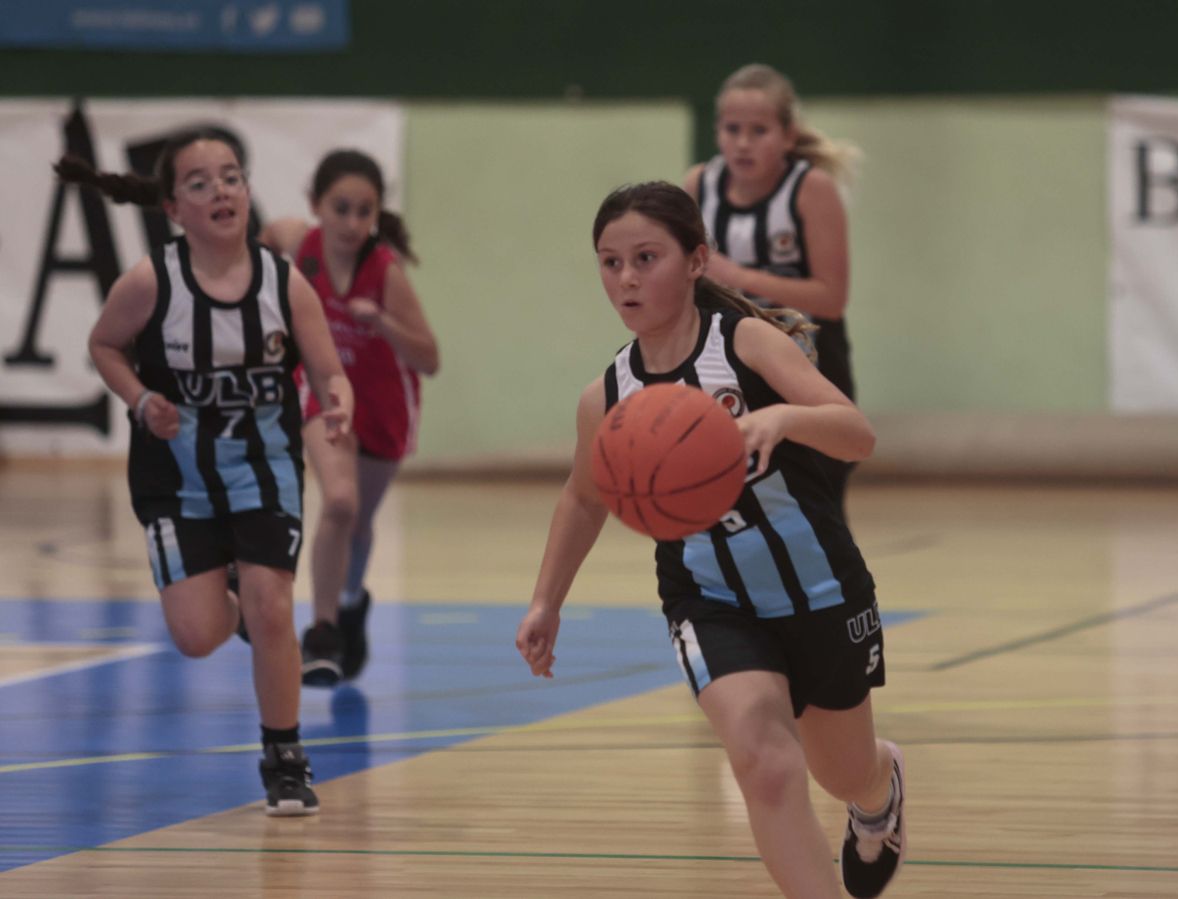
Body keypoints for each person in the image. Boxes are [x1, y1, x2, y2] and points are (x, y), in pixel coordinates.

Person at [515, 182, 905, 898]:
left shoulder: (748, 344)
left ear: (696, 260)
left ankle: (878, 794)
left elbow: (860, 433)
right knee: (765, 761)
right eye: (610, 262)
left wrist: (782, 419)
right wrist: (546, 600)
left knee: (841, 771)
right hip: (710, 598)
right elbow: (582, 496)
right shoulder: (607, 395)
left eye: (645, 257)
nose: (626, 279)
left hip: (818, 586)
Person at [64, 128, 353, 816]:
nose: (221, 190)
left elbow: (327, 369)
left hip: (264, 468)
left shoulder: (284, 281)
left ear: (248, 191)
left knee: (274, 605)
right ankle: (237, 600)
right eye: (200, 182)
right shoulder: (150, 281)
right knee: (196, 635)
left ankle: (285, 756)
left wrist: (338, 402)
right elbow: (103, 344)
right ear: (173, 208)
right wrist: (140, 400)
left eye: (231, 176)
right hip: (176, 478)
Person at [260, 150, 439, 686]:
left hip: (383, 402)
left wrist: (383, 322)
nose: (353, 223)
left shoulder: (385, 272)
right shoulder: (294, 242)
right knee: (339, 502)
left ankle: (351, 600)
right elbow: (257, 252)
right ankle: (322, 632)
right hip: (325, 390)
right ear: (316, 205)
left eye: (366, 211)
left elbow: (429, 359)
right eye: (341, 208)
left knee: (358, 521)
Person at [685, 63, 863, 500]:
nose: (742, 143)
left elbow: (832, 297)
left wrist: (736, 275)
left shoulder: (810, 189)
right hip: (727, 367)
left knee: (814, 503)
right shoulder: (698, 185)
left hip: (809, 360)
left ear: (787, 135)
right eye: (732, 129)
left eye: (758, 131)